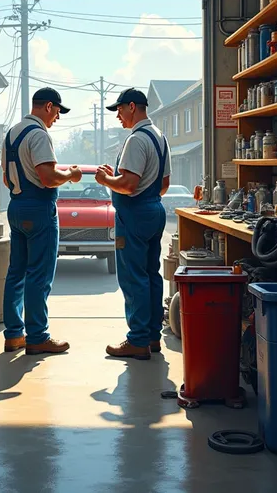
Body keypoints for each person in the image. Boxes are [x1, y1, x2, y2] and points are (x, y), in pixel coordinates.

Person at [1, 87, 82, 355]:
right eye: (58, 111)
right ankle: (37, 336)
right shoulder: (39, 135)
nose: (57, 117)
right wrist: (69, 174)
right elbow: (47, 177)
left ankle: (13, 335)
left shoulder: (12, 134)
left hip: (16, 206)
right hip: (39, 209)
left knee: (17, 272)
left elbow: (6, 177)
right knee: (39, 275)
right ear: (48, 106)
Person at [95, 88, 171, 360]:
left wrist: (106, 180)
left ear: (131, 106)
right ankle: (152, 336)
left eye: (119, 110)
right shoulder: (160, 137)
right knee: (151, 274)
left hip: (135, 214)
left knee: (132, 276)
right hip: (154, 210)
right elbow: (164, 184)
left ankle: (137, 340)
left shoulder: (136, 140)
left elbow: (128, 184)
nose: (117, 116)